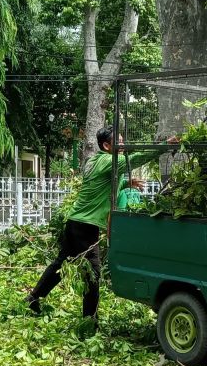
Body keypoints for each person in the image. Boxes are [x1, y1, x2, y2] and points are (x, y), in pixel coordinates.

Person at [26, 128, 174, 320]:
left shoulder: (94, 161)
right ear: (106, 146)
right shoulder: (108, 160)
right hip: (86, 226)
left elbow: (102, 184)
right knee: (93, 273)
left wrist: (126, 184)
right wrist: (164, 146)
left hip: (75, 221)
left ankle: (33, 297)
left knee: (61, 264)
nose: (123, 146)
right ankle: (90, 319)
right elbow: (137, 159)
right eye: (119, 142)